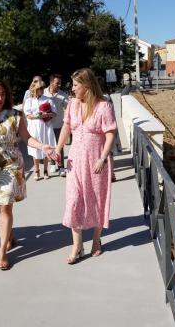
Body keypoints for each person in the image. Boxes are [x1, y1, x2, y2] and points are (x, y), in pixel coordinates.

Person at [0, 79, 56, 270]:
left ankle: (2, 252)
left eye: (3, 94)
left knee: (6, 206)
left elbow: (26, 138)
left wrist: (43, 146)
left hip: (11, 165)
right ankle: (9, 235)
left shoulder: (15, 115)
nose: (1, 98)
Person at [54, 68, 117, 264]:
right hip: (75, 160)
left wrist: (103, 158)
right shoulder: (72, 105)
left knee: (96, 199)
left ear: (87, 86)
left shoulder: (103, 107)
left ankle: (96, 240)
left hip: (96, 161)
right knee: (74, 200)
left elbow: (110, 134)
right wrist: (58, 149)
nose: (72, 89)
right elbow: (66, 126)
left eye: (75, 85)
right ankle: (77, 245)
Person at [23, 79, 56, 180]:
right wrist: (37, 116)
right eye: (38, 88)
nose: (40, 90)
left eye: (42, 88)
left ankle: (45, 170)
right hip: (34, 127)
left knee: (45, 147)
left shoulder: (48, 99)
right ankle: (37, 171)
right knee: (35, 149)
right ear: (34, 89)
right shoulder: (29, 100)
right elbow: (27, 115)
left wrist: (47, 114)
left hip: (45, 127)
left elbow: (54, 113)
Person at [43, 74, 69, 177]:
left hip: (59, 124)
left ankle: (61, 166)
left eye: (60, 83)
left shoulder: (63, 95)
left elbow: (68, 108)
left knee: (60, 146)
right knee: (50, 145)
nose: (59, 85)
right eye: (57, 83)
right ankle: (52, 163)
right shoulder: (44, 93)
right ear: (51, 83)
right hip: (47, 125)